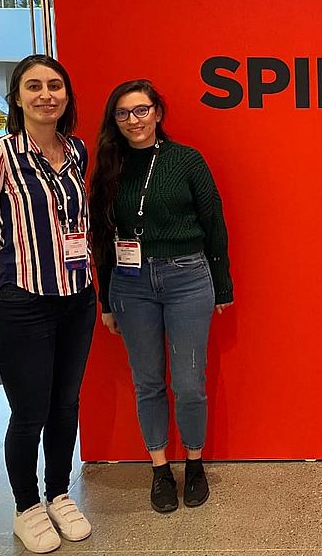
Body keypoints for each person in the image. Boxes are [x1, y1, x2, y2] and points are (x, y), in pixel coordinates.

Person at [0, 54, 95, 554]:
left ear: (66, 96)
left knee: (66, 404)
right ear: (17, 97)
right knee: (30, 410)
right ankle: (26, 506)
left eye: (54, 86)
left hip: (77, 300)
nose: (45, 95)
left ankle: (58, 492)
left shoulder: (76, 150)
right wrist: (1, 282)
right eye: (33, 86)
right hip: (23, 305)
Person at [89, 79, 233, 514]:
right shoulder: (108, 165)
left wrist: (222, 285)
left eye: (141, 110)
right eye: (123, 113)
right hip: (130, 283)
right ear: (114, 120)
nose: (133, 120)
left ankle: (194, 463)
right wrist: (106, 299)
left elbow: (214, 222)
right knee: (147, 381)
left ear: (158, 113)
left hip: (187, 277)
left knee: (189, 383)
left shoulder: (186, 160)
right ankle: (159, 469)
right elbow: (102, 237)